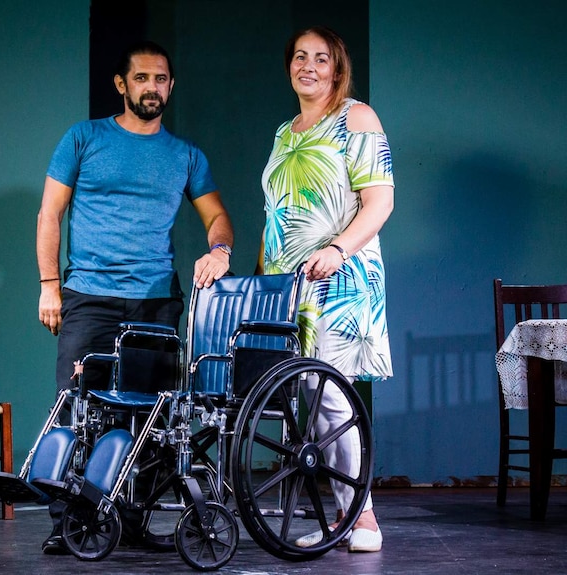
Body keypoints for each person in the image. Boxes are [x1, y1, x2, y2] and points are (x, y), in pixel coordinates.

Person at [36, 40, 233, 554]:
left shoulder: (185, 155)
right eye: (142, 78)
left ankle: (133, 519)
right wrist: (49, 286)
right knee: (75, 409)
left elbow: (216, 216)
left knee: (150, 419)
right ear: (122, 85)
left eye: (161, 78)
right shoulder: (84, 138)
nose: (152, 87)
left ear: (171, 86)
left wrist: (220, 249)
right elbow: (50, 214)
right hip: (89, 296)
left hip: (154, 301)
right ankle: (69, 523)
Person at [257, 26, 394, 553]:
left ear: (337, 69)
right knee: (311, 402)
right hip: (288, 284)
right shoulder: (285, 132)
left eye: (320, 58)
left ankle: (364, 519)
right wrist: (264, 279)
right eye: (299, 56)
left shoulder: (356, 118)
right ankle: (344, 515)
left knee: (331, 399)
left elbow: (379, 203)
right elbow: (277, 214)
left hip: (339, 277)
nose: (307, 66)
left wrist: (338, 250)